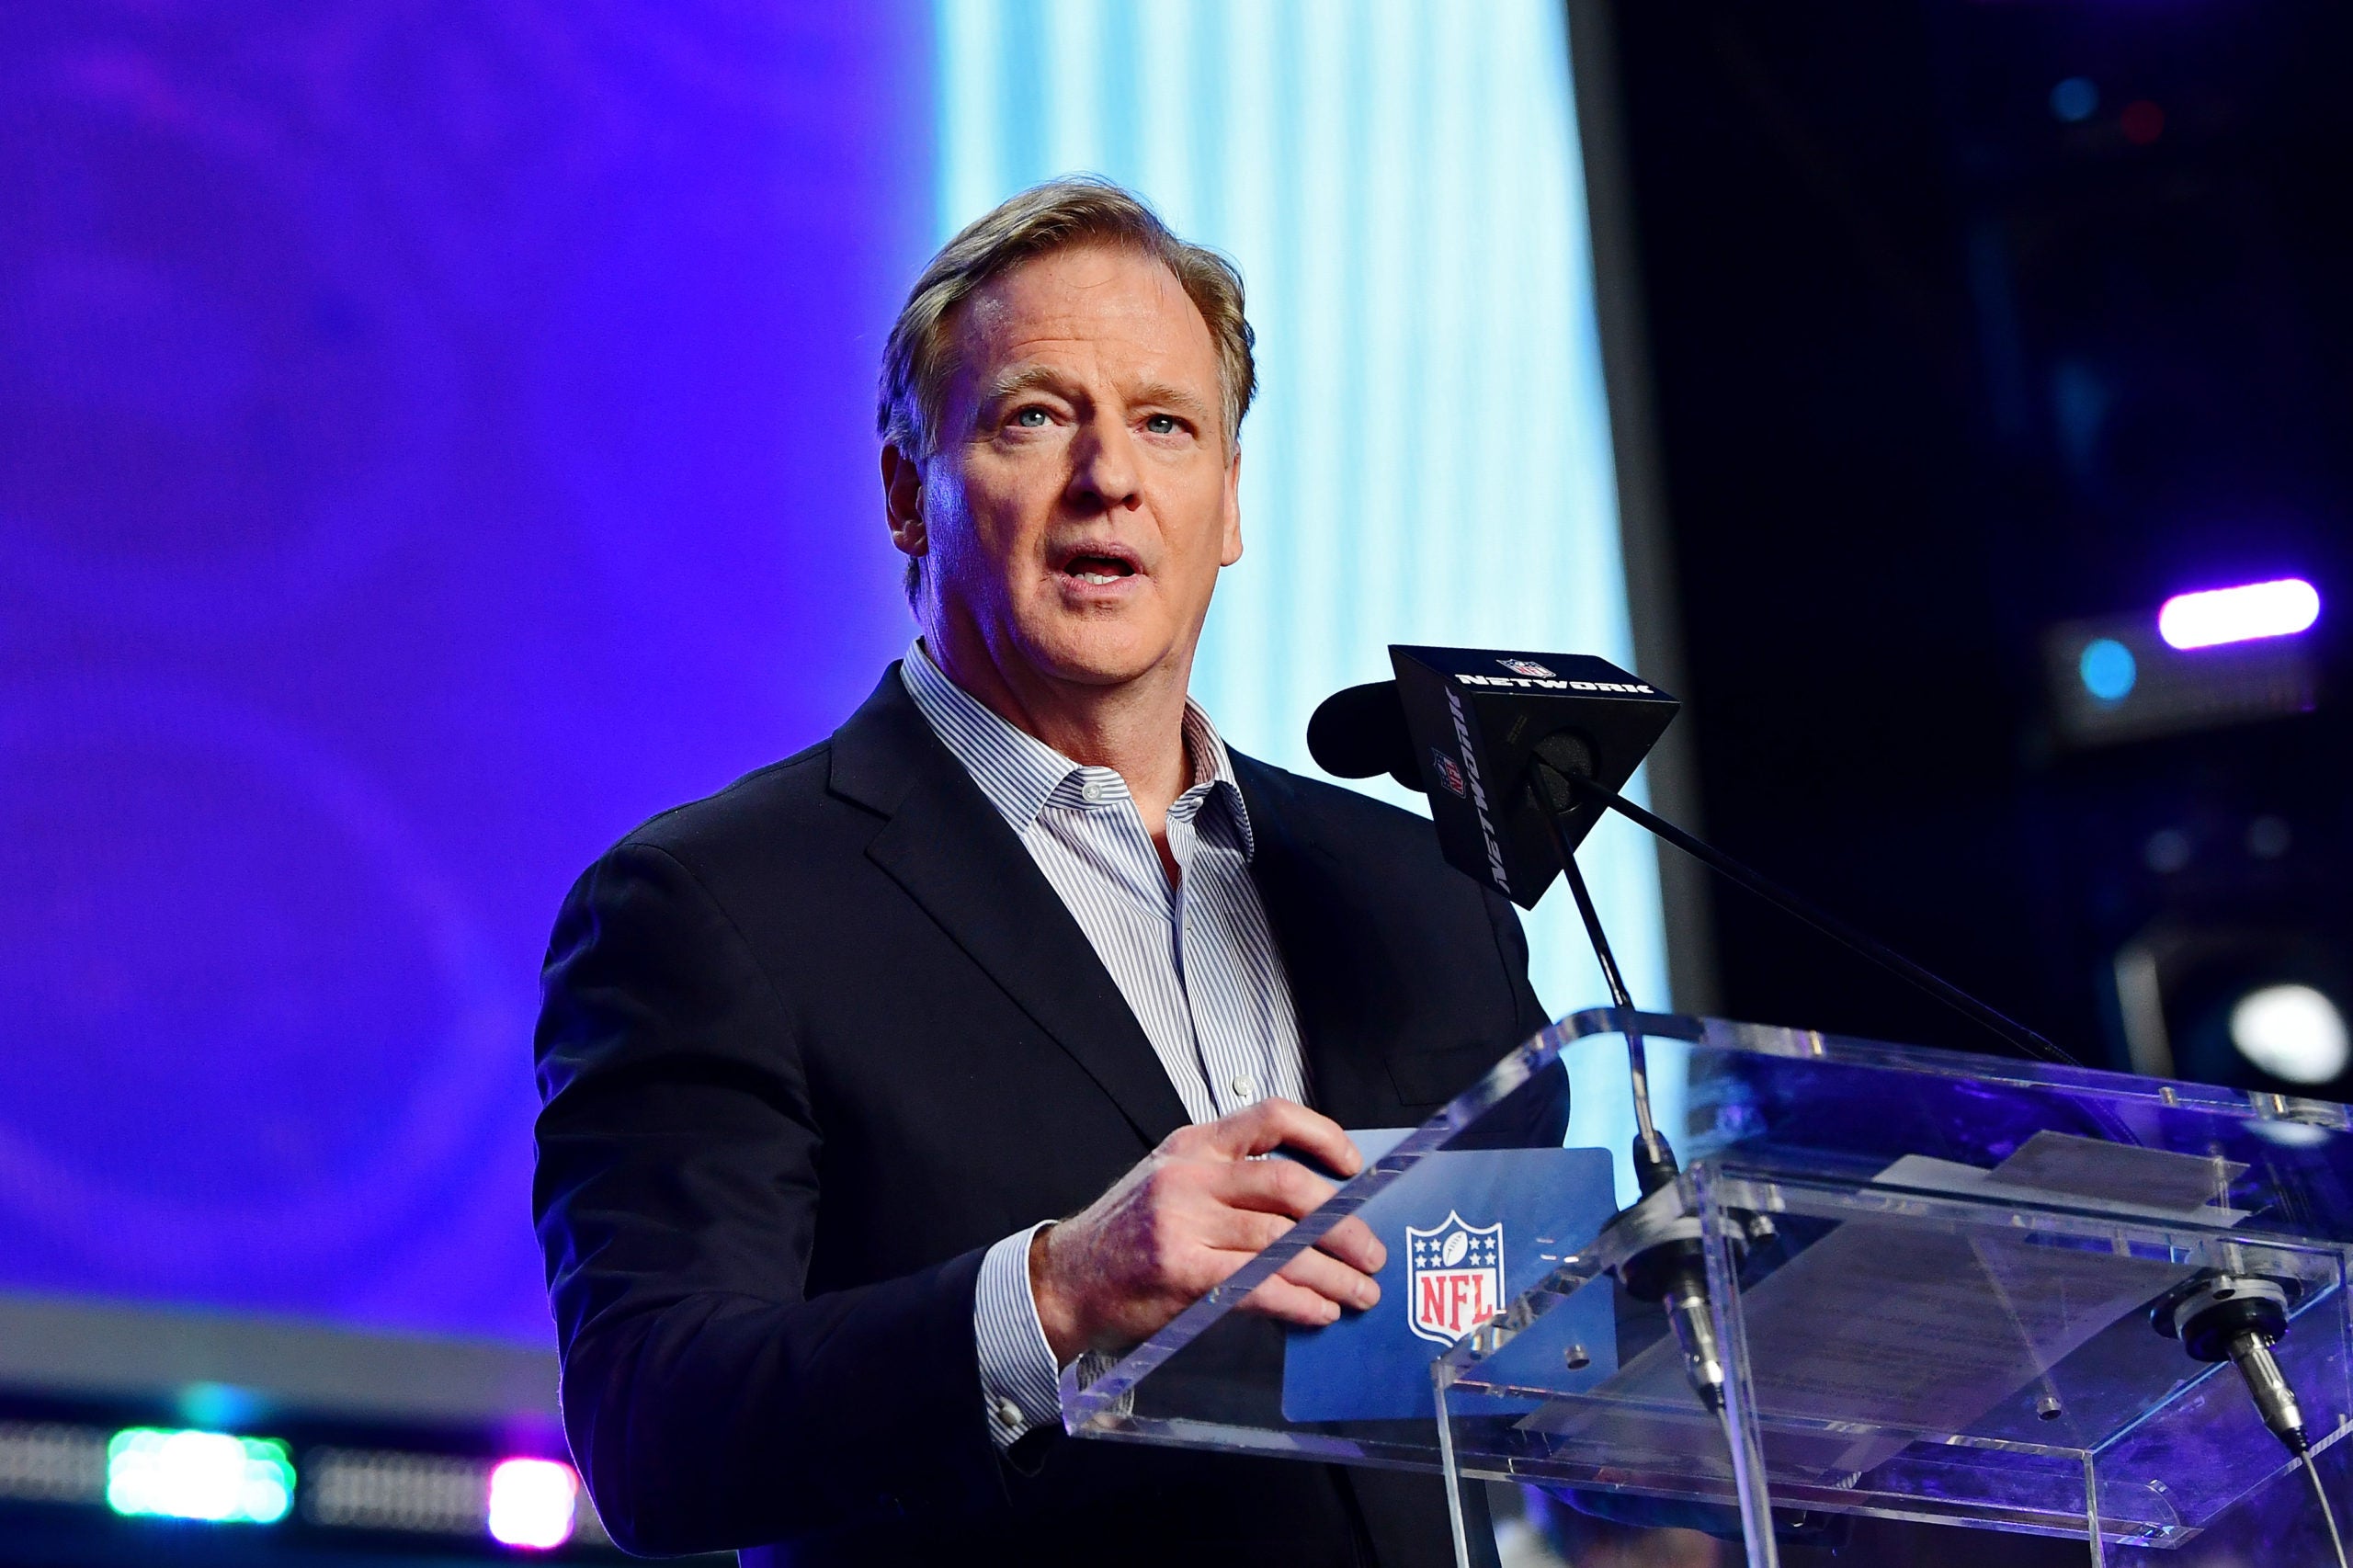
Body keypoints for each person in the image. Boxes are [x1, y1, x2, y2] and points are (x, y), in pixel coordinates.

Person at [532, 177, 1552, 1568]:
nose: (1109, 476)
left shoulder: (1419, 893)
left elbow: (1532, 1352)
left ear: (1229, 503)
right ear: (908, 494)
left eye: (1166, 423)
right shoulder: (711, 907)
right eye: (1033, 416)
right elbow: (657, 1430)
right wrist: (1057, 1292)